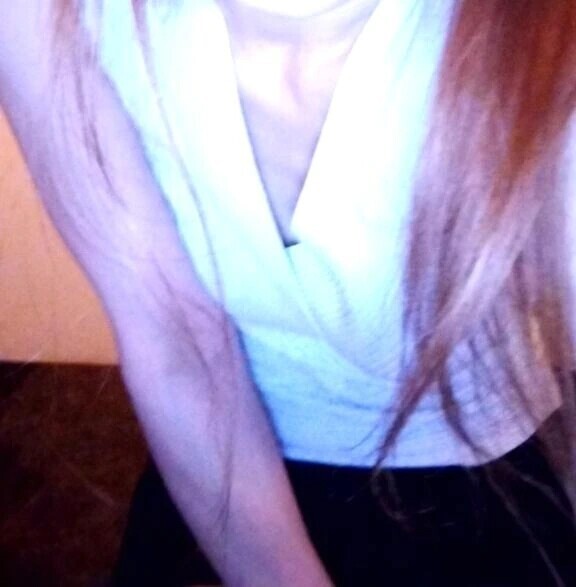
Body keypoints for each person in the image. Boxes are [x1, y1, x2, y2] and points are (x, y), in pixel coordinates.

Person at [1, 0, 576, 585]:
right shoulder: (41, 14)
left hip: (492, 500)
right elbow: (173, 338)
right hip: (216, 488)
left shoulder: (543, 27)